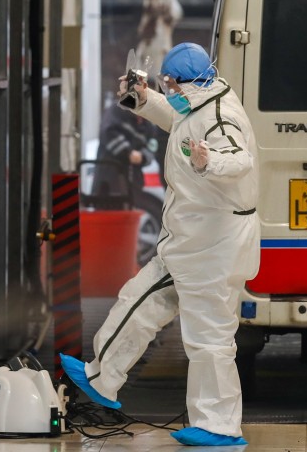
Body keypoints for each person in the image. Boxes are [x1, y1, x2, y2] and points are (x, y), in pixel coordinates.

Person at [61, 43, 260, 447]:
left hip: (207, 244)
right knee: (147, 303)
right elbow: (177, 118)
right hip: (202, 240)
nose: (166, 89)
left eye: (169, 84)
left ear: (188, 82)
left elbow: (238, 159)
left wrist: (210, 163)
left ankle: (217, 425)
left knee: (205, 333)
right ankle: (105, 376)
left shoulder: (221, 117)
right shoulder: (204, 100)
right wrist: (142, 97)